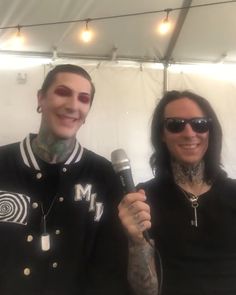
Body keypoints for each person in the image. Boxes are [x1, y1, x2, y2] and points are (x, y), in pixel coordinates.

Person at [0, 64, 130, 295]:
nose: (72, 106)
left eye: (83, 99)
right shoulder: (3, 163)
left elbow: (111, 265)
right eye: (62, 92)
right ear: (41, 98)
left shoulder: (104, 175)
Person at [118, 90, 236, 295]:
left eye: (200, 124)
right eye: (176, 125)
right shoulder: (143, 198)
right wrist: (136, 241)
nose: (189, 133)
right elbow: (144, 290)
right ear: (162, 134)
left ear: (210, 131)